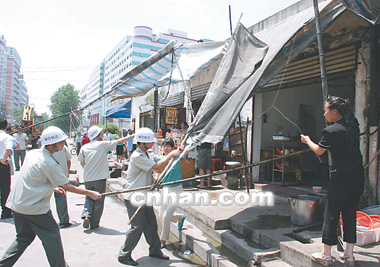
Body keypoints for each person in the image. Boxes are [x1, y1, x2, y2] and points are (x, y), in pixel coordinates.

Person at [0, 126, 101, 267]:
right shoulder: (49, 162)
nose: (63, 144)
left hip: (17, 205)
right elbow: (67, 186)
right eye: (61, 142)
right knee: (52, 235)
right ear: (53, 144)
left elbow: (33, 176)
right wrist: (90, 193)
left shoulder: (33, 154)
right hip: (34, 208)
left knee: (23, 238)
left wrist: (52, 186)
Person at [301, 96, 364, 267]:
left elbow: (319, 151)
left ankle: (326, 255)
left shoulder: (331, 131)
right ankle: (349, 255)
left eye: (326, 110)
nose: (324, 114)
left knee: (331, 214)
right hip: (357, 176)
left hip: (341, 177)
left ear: (334, 112)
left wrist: (307, 141)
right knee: (350, 213)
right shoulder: (353, 125)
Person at [118, 127, 181, 266]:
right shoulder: (137, 156)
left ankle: (155, 250)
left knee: (151, 225)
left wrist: (177, 153)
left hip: (145, 196)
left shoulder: (147, 153)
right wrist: (172, 155)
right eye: (150, 142)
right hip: (134, 196)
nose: (153, 144)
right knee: (137, 226)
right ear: (141, 143)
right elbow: (158, 167)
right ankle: (124, 254)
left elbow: (162, 159)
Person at [78, 125, 134, 230]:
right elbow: (118, 142)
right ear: (97, 136)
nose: (103, 135)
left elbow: (82, 163)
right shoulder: (102, 145)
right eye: (101, 134)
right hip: (99, 178)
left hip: (88, 178)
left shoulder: (84, 147)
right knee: (99, 200)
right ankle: (94, 224)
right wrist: (131, 136)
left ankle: (86, 215)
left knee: (89, 197)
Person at [158, 138, 188, 249]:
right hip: (165, 190)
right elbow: (157, 168)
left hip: (176, 189)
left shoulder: (177, 157)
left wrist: (182, 147)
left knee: (166, 216)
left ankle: (163, 240)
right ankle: (179, 218)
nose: (165, 148)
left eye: (168, 146)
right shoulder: (162, 159)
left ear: (172, 148)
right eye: (164, 146)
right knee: (161, 214)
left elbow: (186, 150)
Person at [52, 142, 72, 228]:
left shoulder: (47, 149)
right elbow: (69, 161)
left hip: (51, 177)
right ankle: (63, 220)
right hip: (61, 177)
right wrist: (67, 172)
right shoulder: (64, 148)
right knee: (61, 198)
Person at [0, 120, 14, 219]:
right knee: (5, 189)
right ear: (6, 126)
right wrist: (3, 159)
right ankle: (5, 212)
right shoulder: (7, 137)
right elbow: (9, 149)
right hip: (3, 165)